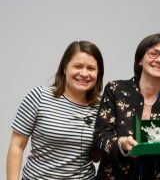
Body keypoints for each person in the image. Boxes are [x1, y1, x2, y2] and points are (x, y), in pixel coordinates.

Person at [94, 33, 160, 180]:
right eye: (153, 53)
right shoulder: (116, 89)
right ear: (140, 59)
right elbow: (100, 137)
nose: (159, 60)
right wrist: (122, 144)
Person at [6, 41, 104, 180]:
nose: (84, 73)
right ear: (65, 68)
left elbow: (96, 157)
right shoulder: (39, 96)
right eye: (78, 66)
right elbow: (17, 145)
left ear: (98, 72)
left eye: (91, 68)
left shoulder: (101, 108)